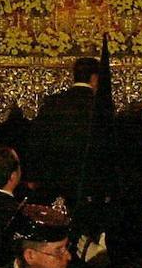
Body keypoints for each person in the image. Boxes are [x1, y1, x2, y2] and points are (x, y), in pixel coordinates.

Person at [28, 58, 101, 205]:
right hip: (87, 185)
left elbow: (36, 140)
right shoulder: (98, 106)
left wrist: (34, 175)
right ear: (94, 78)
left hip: (52, 181)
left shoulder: (53, 103)